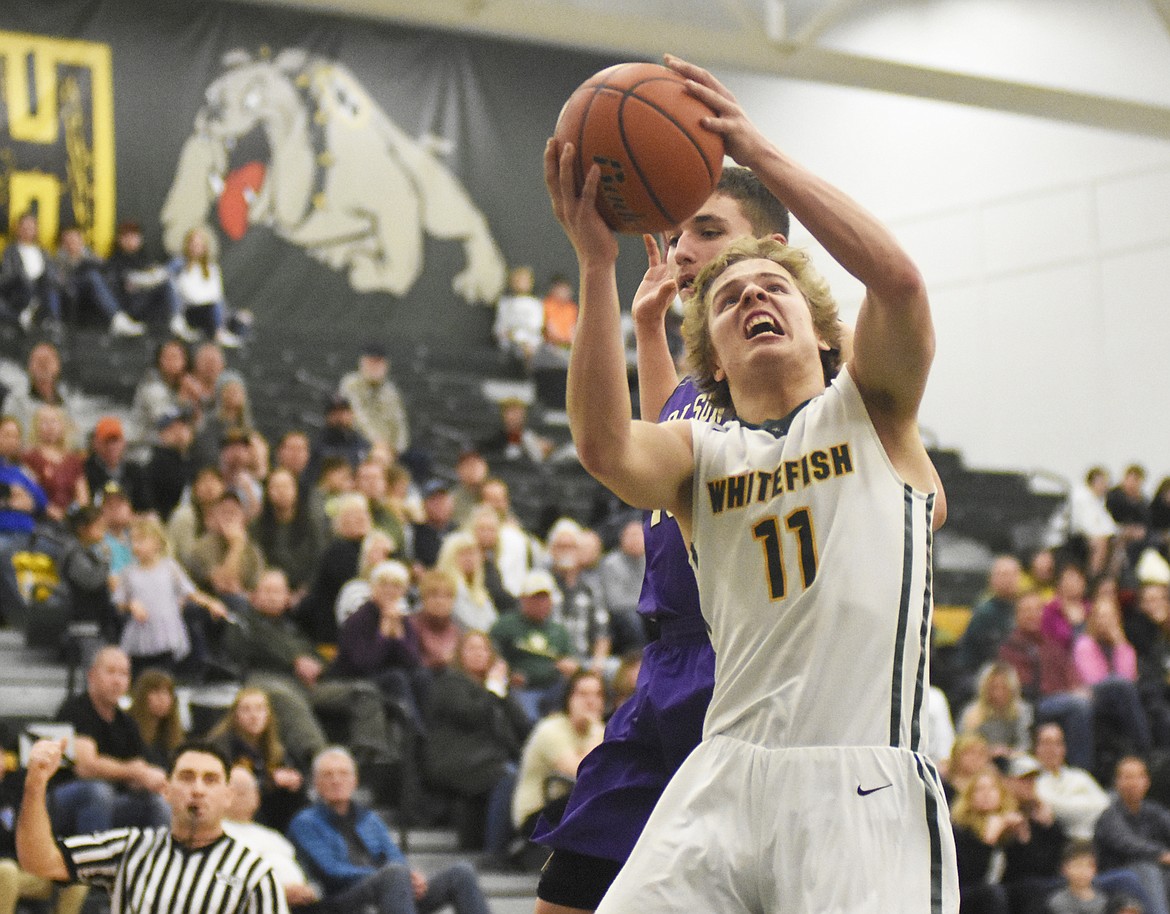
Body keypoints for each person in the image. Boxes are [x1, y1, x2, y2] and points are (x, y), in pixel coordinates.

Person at [547, 54, 956, 912]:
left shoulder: (872, 411)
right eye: (729, 300)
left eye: (773, 285)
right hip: (722, 773)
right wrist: (594, 267)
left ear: (819, 327)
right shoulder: (702, 453)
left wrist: (758, 152)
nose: (753, 296)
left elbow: (901, 281)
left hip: (859, 783)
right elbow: (605, 445)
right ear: (714, 363)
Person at [17, 738, 289, 914]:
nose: (197, 789)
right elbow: (40, 862)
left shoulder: (256, 874)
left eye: (210, 780)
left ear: (228, 796)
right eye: (186, 777)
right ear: (166, 790)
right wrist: (35, 785)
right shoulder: (129, 848)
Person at [288, 746, 491, 914]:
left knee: (461, 873)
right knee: (394, 874)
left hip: (390, 889)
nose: (336, 780)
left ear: (355, 781)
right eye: (328, 775)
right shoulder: (305, 822)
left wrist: (410, 876)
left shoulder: (369, 819)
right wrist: (387, 876)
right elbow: (332, 871)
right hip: (338, 900)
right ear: (316, 783)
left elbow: (396, 857)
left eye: (343, 774)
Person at [423, 629, 532, 860]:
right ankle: (495, 852)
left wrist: (503, 693)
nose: (479, 654)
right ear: (459, 654)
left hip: (488, 758)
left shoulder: (493, 687)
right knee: (507, 776)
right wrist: (493, 690)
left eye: (484, 649)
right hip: (456, 759)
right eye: (471, 648)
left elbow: (523, 727)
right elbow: (471, 714)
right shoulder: (449, 683)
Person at [49, 646, 171, 833]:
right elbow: (86, 767)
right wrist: (135, 772)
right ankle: (95, 860)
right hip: (61, 798)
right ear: (91, 676)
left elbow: (139, 768)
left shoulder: (127, 722)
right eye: (111, 672)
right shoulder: (75, 710)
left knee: (156, 803)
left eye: (123, 674)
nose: (117, 681)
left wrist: (153, 780)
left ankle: (161, 860)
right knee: (98, 791)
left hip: (110, 800)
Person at [114, 515, 228, 677]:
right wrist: (131, 605)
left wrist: (211, 603)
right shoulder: (128, 573)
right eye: (133, 541)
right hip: (141, 636)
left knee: (164, 675)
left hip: (165, 635)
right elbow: (119, 602)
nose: (136, 546)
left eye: (141, 540)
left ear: (157, 542)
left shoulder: (169, 567)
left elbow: (190, 592)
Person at [512, 669, 605, 845]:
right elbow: (582, 774)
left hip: (569, 810)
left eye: (597, 695)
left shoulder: (599, 731)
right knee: (592, 801)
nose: (591, 701)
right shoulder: (551, 730)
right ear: (568, 698)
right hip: (537, 816)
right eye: (582, 694)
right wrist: (595, 731)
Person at [206, 686, 307, 832]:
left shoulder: (276, 749)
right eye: (246, 710)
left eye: (260, 709)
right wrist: (271, 781)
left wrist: (295, 782)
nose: (254, 716)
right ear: (235, 715)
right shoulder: (221, 746)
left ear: (269, 715)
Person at [222, 766, 319, 908]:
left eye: (249, 789)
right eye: (236, 790)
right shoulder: (217, 834)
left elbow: (309, 874)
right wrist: (276, 892)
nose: (243, 794)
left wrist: (311, 891)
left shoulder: (273, 836)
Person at [490, 569, 577, 722]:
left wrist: (570, 667)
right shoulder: (506, 625)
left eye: (545, 598)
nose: (541, 604)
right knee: (527, 718)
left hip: (554, 686)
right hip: (524, 688)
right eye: (536, 598)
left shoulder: (558, 631)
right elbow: (493, 654)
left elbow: (570, 659)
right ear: (523, 599)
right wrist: (508, 675)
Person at [1094, 756, 1170, 914]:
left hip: (1154, 870)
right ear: (1117, 782)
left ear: (1147, 782)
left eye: (1138, 777)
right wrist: (1161, 853)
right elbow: (1127, 843)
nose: (1133, 783)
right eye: (1128, 777)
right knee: (1147, 868)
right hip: (1116, 875)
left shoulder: (1153, 811)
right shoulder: (1109, 815)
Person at [53, 225, 145, 336]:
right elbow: (60, 282)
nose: (72, 242)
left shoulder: (90, 256)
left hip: (91, 295)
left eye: (75, 238)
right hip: (73, 292)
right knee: (92, 277)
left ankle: (120, 318)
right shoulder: (58, 260)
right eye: (68, 239)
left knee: (106, 278)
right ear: (63, 243)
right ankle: (118, 320)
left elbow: (104, 268)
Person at [105, 218, 189, 337]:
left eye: (134, 237)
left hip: (149, 307)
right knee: (165, 278)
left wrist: (154, 277)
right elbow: (129, 282)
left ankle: (176, 320)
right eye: (126, 237)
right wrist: (151, 279)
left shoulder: (145, 258)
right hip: (128, 307)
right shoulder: (115, 260)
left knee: (171, 273)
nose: (131, 240)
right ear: (119, 239)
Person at [1033, 723, 1109, 841]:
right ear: (1036, 748)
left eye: (1057, 744)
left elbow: (1105, 807)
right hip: (1063, 843)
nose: (1052, 749)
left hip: (1098, 839)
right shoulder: (1033, 782)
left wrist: (1066, 804)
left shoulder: (1080, 776)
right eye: (1046, 743)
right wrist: (1084, 802)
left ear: (1064, 749)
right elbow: (1058, 809)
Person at [170, 227, 241, 347]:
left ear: (204, 247)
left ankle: (224, 332)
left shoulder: (212, 268)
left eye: (198, 245)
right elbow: (185, 292)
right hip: (189, 310)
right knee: (215, 304)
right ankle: (219, 333)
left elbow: (216, 293)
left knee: (242, 318)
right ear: (187, 245)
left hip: (208, 309)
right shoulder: (179, 263)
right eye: (192, 244)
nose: (195, 248)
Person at [338, 343, 410, 461]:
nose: (375, 366)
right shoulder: (351, 384)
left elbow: (399, 423)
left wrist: (397, 449)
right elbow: (357, 417)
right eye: (371, 362)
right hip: (361, 443)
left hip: (390, 450)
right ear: (363, 363)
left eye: (379, 362)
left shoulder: (391, 391)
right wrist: (377, 443)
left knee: (419, 459)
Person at [0, 212, 61, 333]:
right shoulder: (10, 251)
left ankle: (53, 322)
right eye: (24, 227)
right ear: (18, 229)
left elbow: (52, 273)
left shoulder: (43, 251)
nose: (27, 230)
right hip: (19, 290)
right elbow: (7, 275)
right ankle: (21, 317)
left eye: (31, 227)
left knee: (50, 285)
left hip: (42, 288)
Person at [83, 415, 150, 512]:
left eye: (115, 441)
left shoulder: (135, 470)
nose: (111, 447)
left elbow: (146, 506)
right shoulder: (86, 470)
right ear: (96, 444)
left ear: (123, 442)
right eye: (106, 441)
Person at [126, 667, 187, 769]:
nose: (162, 698)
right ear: (142, 695)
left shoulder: (172, 735)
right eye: (156, 692)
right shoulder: (127, 727)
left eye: (167, 693)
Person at [493, 264, 545, 371]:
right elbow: (499, 327)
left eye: (524, 280)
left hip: (531, 342)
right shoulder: (504, 303)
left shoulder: (535, 303)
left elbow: (535, 326)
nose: (520, 283)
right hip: (509, 342)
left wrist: (524, 340)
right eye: (517, 280)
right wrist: (510, 335)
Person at [1046, 840, 1109, 914]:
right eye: (1076, 866)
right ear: (1064, 869)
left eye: (1088, 865)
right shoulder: (1058, 901)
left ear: (1095, 869)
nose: (1082, 871)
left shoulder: (1105, 900)